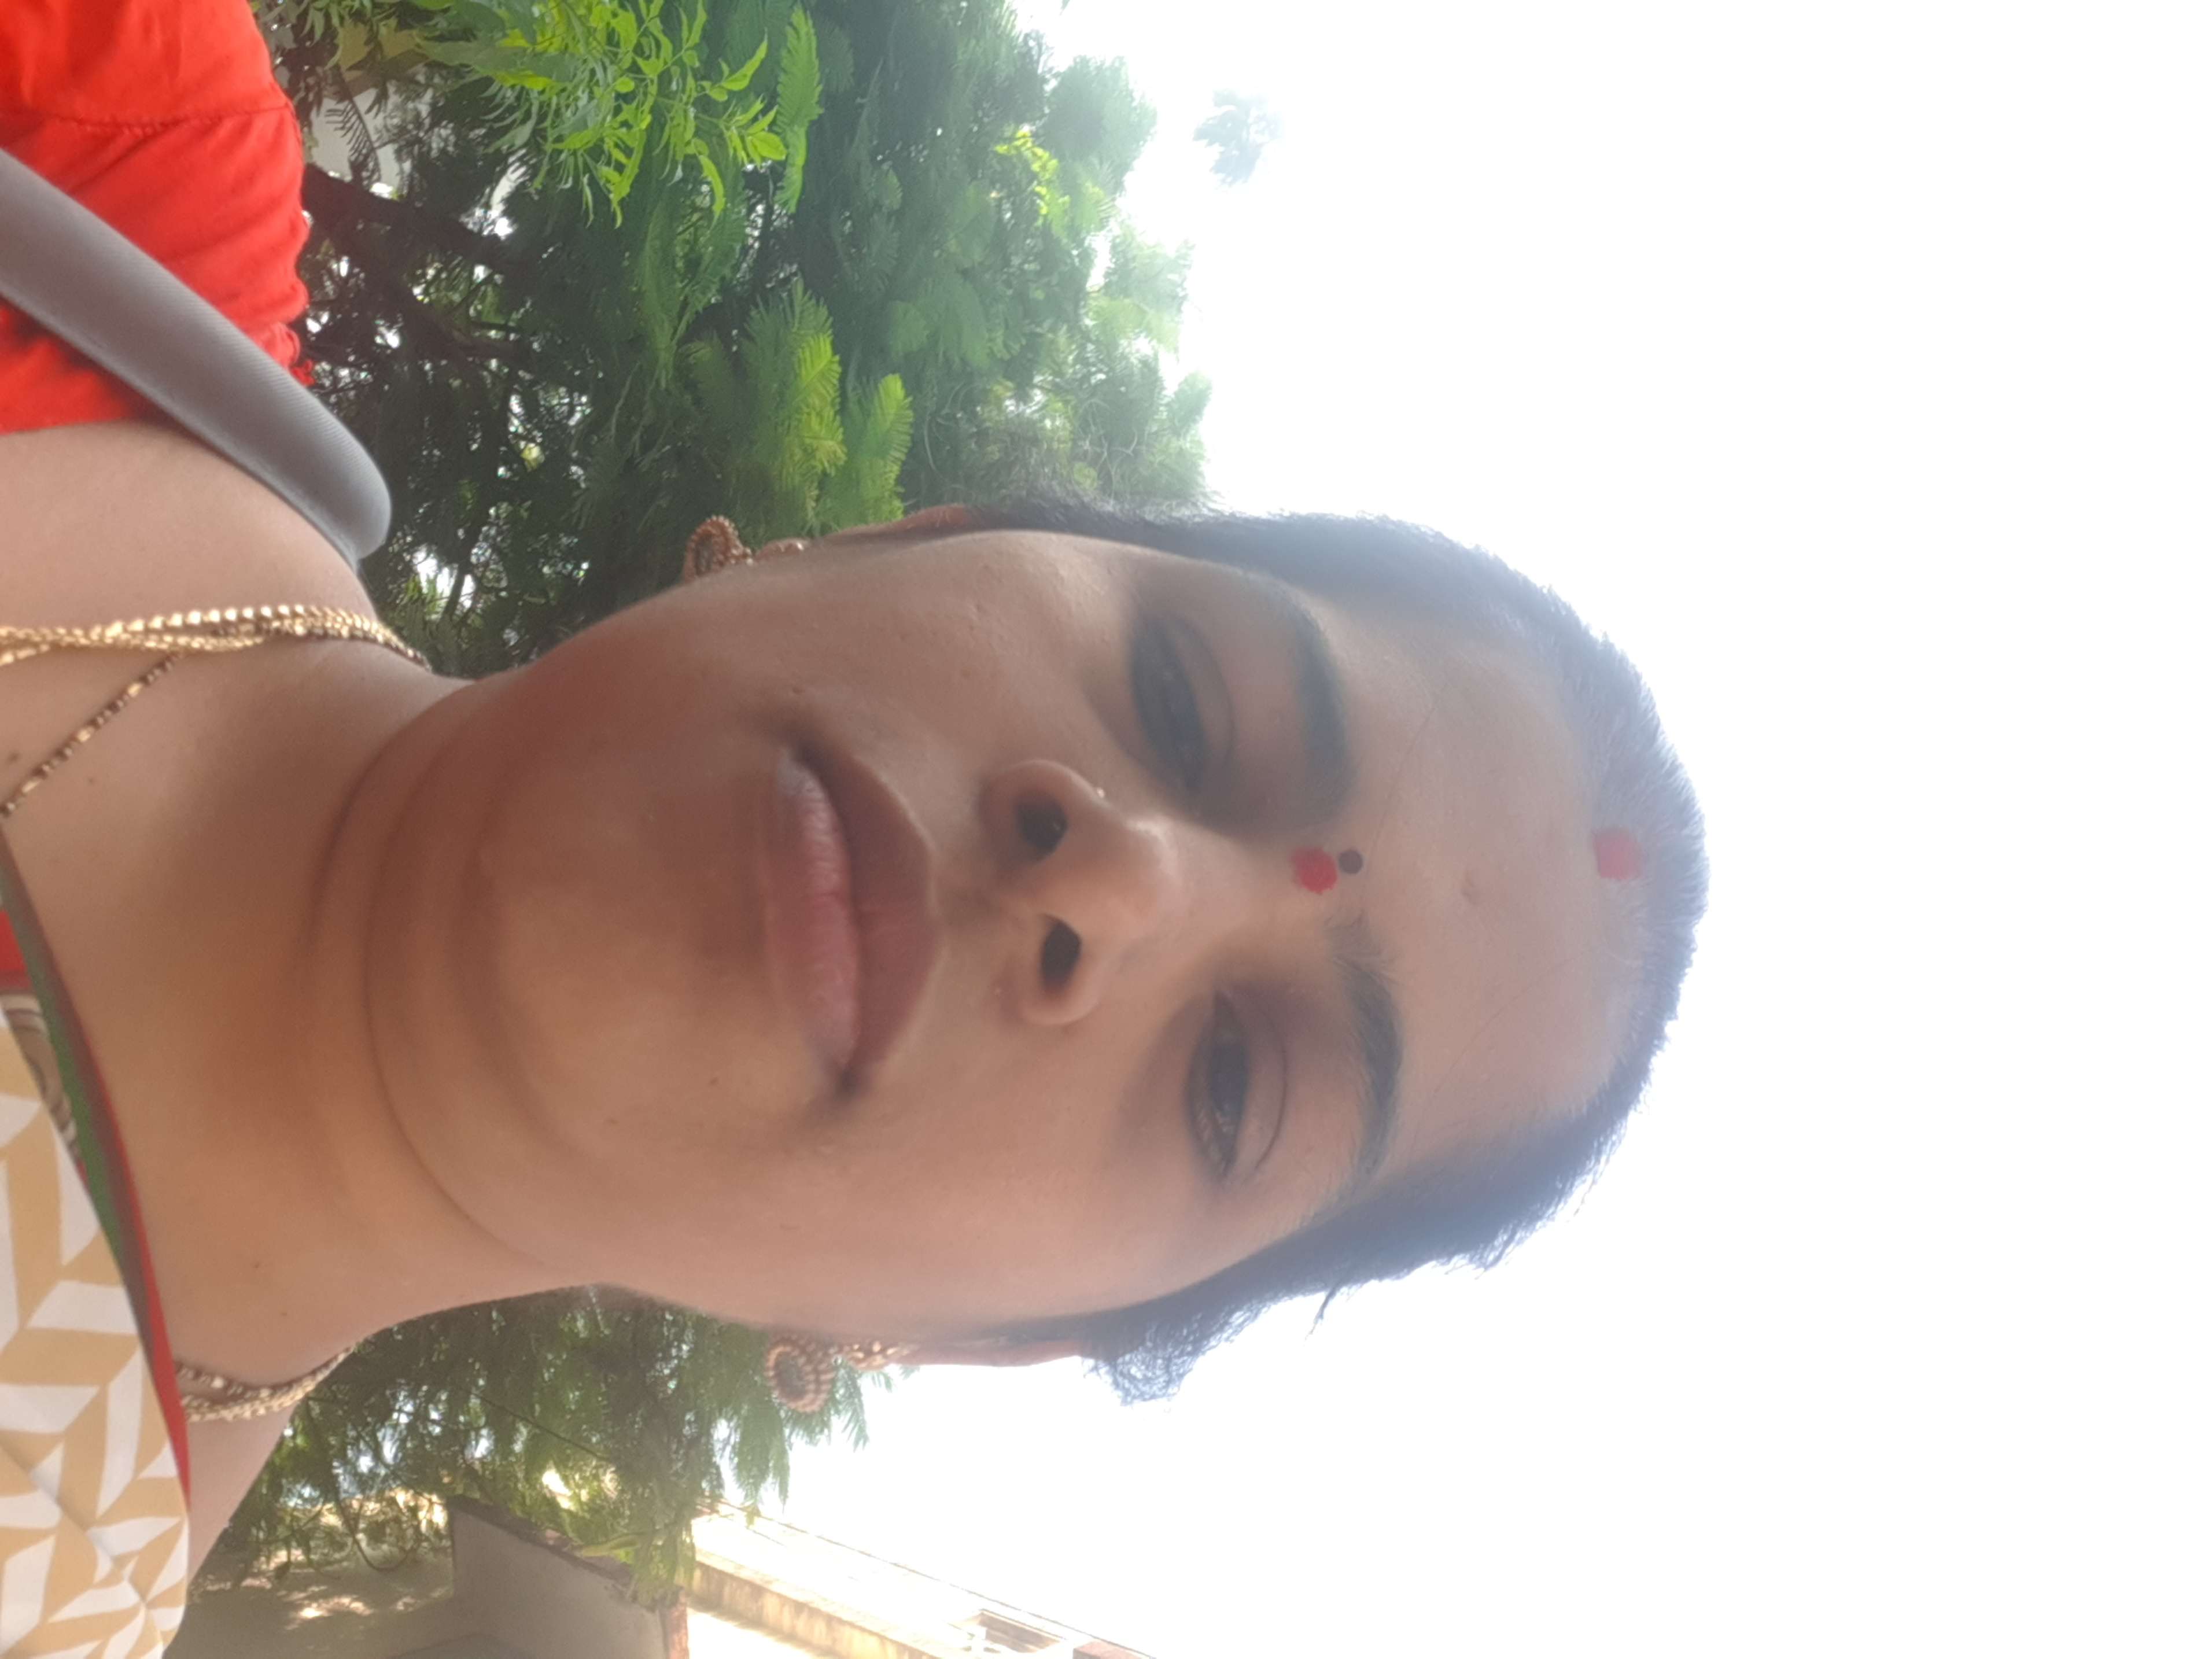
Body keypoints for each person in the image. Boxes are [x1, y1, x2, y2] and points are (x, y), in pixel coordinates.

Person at [0, 0, 1706, 1650]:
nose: (1120, 881)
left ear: (986, 1342)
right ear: (904, 535)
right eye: (1185, 703)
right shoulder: (101, 127)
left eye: (1231, 1082)